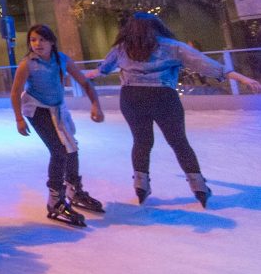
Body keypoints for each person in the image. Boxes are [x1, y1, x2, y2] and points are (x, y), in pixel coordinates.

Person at [86, 13, 261, 208]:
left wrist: (78, 74)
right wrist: (243, 79)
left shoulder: (122, 48)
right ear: (157, 26)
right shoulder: (172, 46)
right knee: (178, 142)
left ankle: (141, 185)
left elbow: (102, 70)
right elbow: (207, 65)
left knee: (141, 141)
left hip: (131, 98)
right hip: (163, 98)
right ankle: (199, 187)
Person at [10, 25, 105, 228]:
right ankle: (55, 199)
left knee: (72, 148)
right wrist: (19, 118)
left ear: (52, 41)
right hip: (37, 109)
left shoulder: (61, 60)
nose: (37, 44)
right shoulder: (27, 64)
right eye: (33, 40)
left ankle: (74, 189)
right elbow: (15, 91)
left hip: (57, 108)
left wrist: (96, 104)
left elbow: (84, 82)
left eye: (42, 39)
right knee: (59, 150)